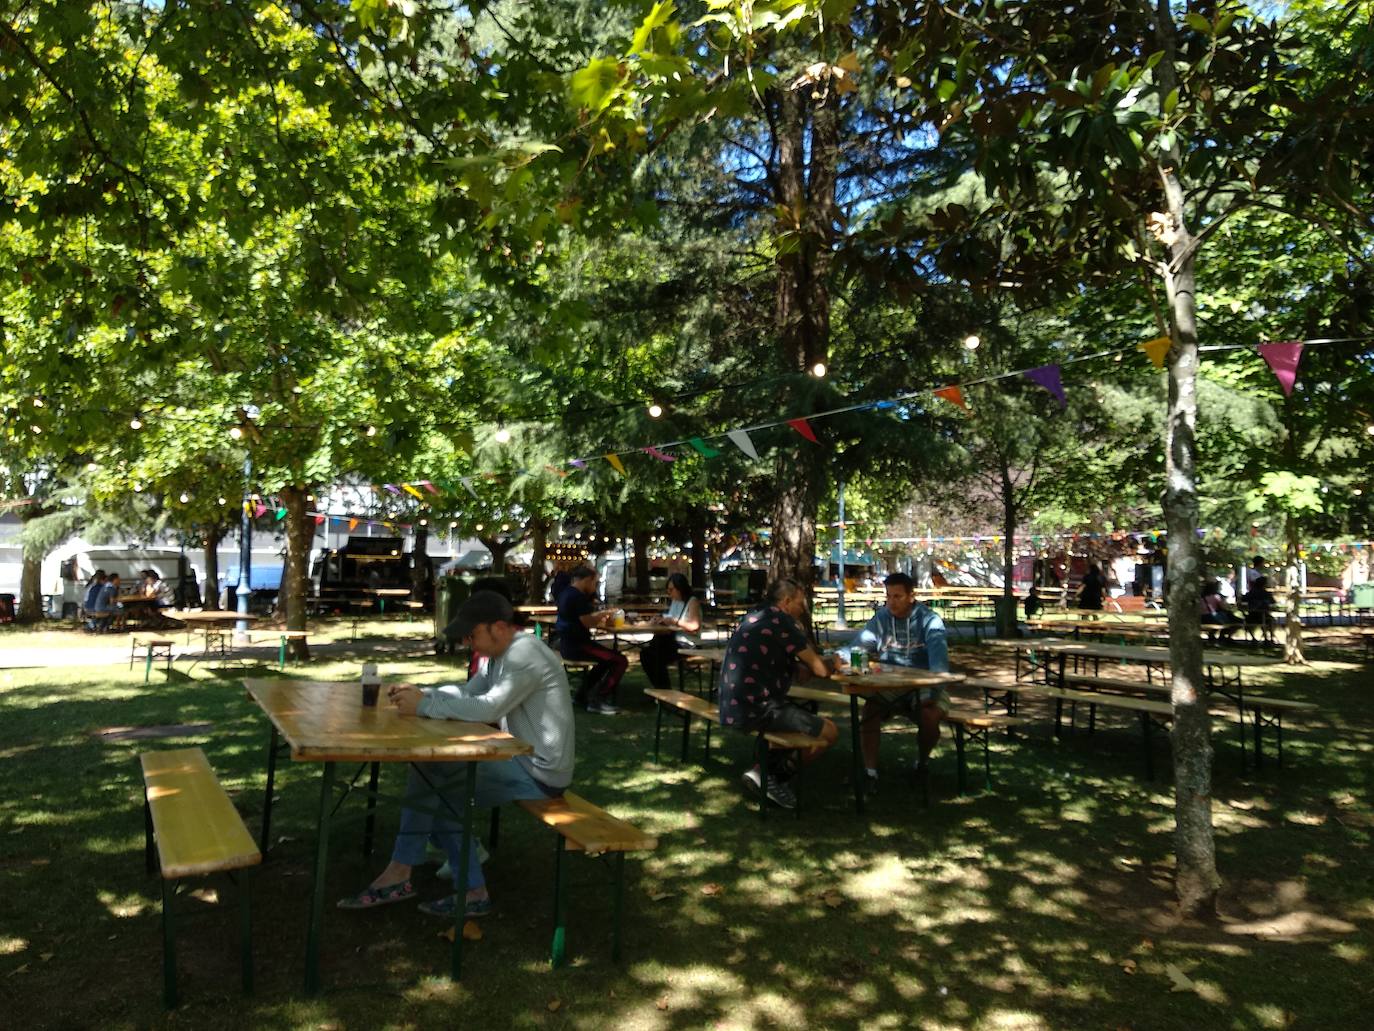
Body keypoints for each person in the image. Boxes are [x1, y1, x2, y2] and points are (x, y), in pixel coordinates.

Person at [338, 590, 575, 918]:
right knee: (430, 771)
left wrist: (424, 705)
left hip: (540, 772)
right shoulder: (502, 654)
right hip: (518, 758)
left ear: (499, 627)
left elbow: (489, 707)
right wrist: (422, 693)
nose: (467, 643)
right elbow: (468, 692)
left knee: (439, 788)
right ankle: (411, 872)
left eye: (472, 634)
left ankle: (459, 887)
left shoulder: (525, 655)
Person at [717, 578, 841, 810]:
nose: (803, 609)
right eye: (800, 603)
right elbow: (820, 669)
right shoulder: (782, 621)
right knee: (830, 732)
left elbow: (770, 657)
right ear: (786, 602)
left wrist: (796, 668)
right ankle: (770, 777)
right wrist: (834, 662)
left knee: (793, 721)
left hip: (732, 704)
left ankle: (764, 774)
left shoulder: (757, 614)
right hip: (757, 707)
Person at [853, 572, 951, 793]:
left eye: (897, 596)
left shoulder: (930, 620)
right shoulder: (881, 619)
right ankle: (870, 772)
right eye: (888, 596)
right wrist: (838, 658)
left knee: (929, 716)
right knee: (870, 710)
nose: (891, 602)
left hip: (924, 684)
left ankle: (922, 763)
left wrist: (932, 694)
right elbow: (858, 646)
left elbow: (940, 667)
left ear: (911, 596)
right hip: (889, 686)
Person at [554, 565, 628, 715]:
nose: (594, 587)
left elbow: (585, 621)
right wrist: (605, 613)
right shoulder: (577, 596)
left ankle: (582, 696)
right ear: (588, 580)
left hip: (567, 644)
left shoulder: (566, 593)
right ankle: (598, 700)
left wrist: (600, 617)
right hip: (578, 645)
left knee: (605, 662)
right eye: (595, 583)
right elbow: (588, 622)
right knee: (620, 661)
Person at [637, 573, 703, 691]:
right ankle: (661, 689)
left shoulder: (692, 601)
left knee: (655, 655)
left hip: (688, 644)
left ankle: (664, 691)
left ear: (680, 588)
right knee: (647, 653)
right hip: (674, 641)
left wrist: (674, 621)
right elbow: (671, 622)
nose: (669, 593)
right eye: (668, 590)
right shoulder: (675, 601)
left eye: (671, 590)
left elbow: (694, 626)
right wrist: (661, 620)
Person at [1243, 574, 1277, 643]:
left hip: (1251, 616)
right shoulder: (1266, 594)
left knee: (1247, 621)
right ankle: (1269, 637)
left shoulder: (1251, 593)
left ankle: (1254, 638)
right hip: (1263, 616)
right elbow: (1273, 602)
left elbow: (1243, 599)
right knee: (1271, 620)